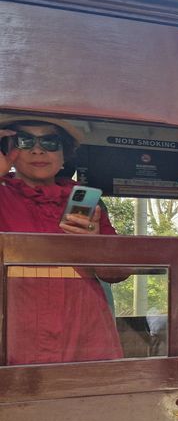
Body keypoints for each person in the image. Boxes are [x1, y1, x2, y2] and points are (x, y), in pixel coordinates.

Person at [0, 116, 123, 365]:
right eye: (25, 141)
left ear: (64, 154)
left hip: (83, 327)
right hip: (15, 329)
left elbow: (119, 272)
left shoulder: (89, 203)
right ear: (9, 150)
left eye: (50, 141)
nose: (38, 150)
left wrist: (95, 244)